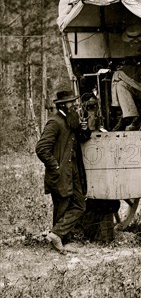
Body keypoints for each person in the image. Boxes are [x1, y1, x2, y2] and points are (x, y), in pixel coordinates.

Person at [35, 90, 90, 254]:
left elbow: (79, 139)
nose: (74, 105)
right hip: (60, 172)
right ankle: (58, 239)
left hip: (72, 170)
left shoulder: (70, 120)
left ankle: (56, 235)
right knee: (62, 206)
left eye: (74, 101)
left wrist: (83, 130)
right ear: (62, 105)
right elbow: (41, 148)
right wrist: (55, 166)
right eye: (71, 102)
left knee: (79, 205)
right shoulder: (55, 122)